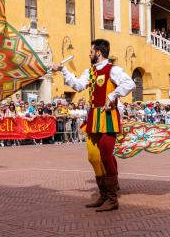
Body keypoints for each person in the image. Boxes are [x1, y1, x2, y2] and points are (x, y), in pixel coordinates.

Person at [52, 39, 136, 212]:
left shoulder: (113, 69)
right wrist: (63, 70)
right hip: (93, 117)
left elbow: (130, 83)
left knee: (106, 154)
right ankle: (103, 194)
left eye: (91, 50)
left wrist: (112, 95)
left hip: (108, 117)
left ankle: (111, 198)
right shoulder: (89, 72)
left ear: (98, 52)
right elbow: (77, 85)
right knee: (93, 156)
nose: (89, 53)